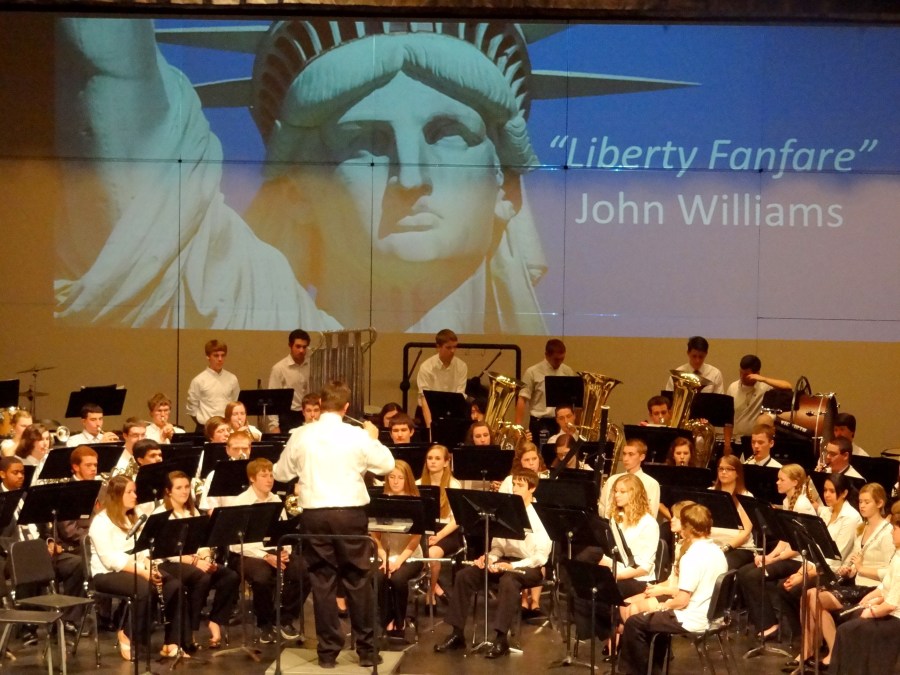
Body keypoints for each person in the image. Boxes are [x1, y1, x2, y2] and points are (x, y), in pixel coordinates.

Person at [55, 20, 548, 334]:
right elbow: (110, 68)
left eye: (448, 134)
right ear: (298, 192)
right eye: (364, 142)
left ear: (505, 187)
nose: (411, 176)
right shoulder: (221, 299)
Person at [273, 380, 394, 668]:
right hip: (349, 514)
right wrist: (373, 438)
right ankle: (367, 650)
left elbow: (280, 472)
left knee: (322, 580)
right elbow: (387, 466)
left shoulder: (301, 435)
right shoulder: (357, 435)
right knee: (358, 578)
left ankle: (327, 652)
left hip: (315, 515)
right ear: (346, 406)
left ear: (320, 405)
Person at [434, 468, 551, 659]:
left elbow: (541, 556)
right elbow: (497, 548)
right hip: (505, 561)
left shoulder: (539, 516)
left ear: (532, 488)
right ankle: (457, 633)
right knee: (465, 575)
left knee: (508, 581)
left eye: (520, 485)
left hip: (529, 566)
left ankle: (501, 638)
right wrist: (490, 558)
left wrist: (513, 566)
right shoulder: (506, 512)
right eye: (514, 484)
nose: (515, 489)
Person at [617, 503, 728, 675]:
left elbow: (682, 601)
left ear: (687, 528)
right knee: (650, 620)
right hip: (712, 616)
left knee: (634, 622)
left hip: (693, 618)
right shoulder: (717, 551)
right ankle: (654, 669)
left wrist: (665, 605)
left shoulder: (692, 557)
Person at [800, 483, 894, 669]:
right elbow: (857, 561)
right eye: (860, 501)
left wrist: (861, 568)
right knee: (810, 594)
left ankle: (834, 651)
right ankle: (817, 648)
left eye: (867, 502)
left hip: (872, 588)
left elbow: (889, 571)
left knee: (815, 597)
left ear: (880, 503)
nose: (862, 506)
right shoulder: (863, 528)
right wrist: (850, 570)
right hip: (857, 583)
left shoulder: (887, 533)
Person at [88, 475, 182, 661]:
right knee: (144, 589)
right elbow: (110, 559)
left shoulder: (133, 518)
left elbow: (142, 548)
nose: (135, 496)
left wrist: (149, 565)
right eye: (129, 492)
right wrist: (142, 572)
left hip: (136, 567)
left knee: (173, 585)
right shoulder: (101, 522)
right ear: (117, 495)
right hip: (107, 574)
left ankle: (171, 642)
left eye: (135, 491)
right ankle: (128, 634)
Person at [155, 470, 239, 650]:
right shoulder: (161, 514)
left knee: (229, 576)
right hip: (168, 563)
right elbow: (168, 552)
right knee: (202, 576)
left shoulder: (192, 511)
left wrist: (207, 558)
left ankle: (216, 620)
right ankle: (190, 631)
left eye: (187, 487)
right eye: (179, 488)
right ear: (168, 491)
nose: (184, 491)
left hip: (195, 560)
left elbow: (202, 542)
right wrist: (196, 562)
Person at [776, 472, 861, 645]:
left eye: (832, 491)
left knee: (797, 589)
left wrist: (805, 575)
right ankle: (803, 637)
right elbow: (813, 546)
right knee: (783, 586)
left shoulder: (851, 518)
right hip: (818, 566)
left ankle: (813, 641)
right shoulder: (825, 513)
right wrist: (801, 571)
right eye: (825, 490)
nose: (826, 495)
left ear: (844, 493)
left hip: (836, 572)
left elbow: (836, 558)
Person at [574, 474, 661, 642]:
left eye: (622, 491)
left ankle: (615, 633)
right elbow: (612, 554)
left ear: (634, 494)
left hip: (638, 579)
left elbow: (645, 567)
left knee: (601, 592)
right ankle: (609, 635)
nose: (616, 495)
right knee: (582, 587)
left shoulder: (648, 524)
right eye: (615, 491)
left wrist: (615, 576)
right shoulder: (616, 519)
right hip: (617, 571)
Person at [228, 458, 307, 644]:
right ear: (252, 478)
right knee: (262, 577)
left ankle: (284, 618)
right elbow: (235, 544)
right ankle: (264, 623)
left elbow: (283, 530)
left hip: (273, 549)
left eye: (271, 475)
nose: (269, 480)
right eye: (264, 476)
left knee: (303, 570)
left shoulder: (276, 500)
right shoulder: (240, 502)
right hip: (246, 553)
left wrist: (285, 550)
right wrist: (265, 556)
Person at [736, 464, 817, 640]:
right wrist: (769, 556)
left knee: (753, 576)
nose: (777, 482)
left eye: (781, 479)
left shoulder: (802, 505)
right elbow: (785, 538)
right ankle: (764, 622)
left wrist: (774, 560)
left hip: (799, 559)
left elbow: (798, 546)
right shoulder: (788, 501)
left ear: (795, 482)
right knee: (743, 573)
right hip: (788, 556)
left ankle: (769, 625)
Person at [830, 501, 900, 675]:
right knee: (853, 619)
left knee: (846, 631)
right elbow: (887, 586)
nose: (892, 532)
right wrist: (872, 598)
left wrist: (871, 612)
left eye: (895, 529)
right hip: (890, 611)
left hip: (896, 618)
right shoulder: (898, 554)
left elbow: (891, 604)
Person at [372, 460, 423, 636]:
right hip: (384, 555)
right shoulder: (380, 501)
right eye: (392, 477)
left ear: (407, 479)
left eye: (400, 478)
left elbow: (415, 540)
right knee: (378, 576)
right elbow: (375, 537)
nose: (395, 481)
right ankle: (387, 619)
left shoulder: (415, 502)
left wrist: (398, 562)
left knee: (398, 579)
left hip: (410, 556)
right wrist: (385, 559)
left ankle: (400, 620)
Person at [418, 444, 463, 604]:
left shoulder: (454, 485)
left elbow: (457, 519)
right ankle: (436, 585)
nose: (433, 461)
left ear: (446, 462)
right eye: (430, 458)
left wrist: (439, 536)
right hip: (423, 530)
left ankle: (430, 592)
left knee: (431, 555)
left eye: (437, 458)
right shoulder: (418, 483)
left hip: (446, 531)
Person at [515, 339, 577, 442]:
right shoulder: (532, 372)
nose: (559, 362)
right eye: (556, 359)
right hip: (540, 422)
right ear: (547, 355)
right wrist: (517, 428)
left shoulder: (567, 371)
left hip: (561, 422)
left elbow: (574, 401)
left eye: (562, 359)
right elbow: (522, 399)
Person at [724, 355, 791, 448]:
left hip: (756, 442)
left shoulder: (765, 387)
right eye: (741, 372)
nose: (742, 377)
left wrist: (764, 379)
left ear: (757, 374)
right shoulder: (733, 387)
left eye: (746, 374)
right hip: (737, 440)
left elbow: (787, 386)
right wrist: (727, 444)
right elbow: (728, 419)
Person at [709, 454, 755, 569]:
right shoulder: (709, 492)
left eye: (729, 469)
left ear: (737, 473)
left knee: (720, 566)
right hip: (711, 545)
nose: (723, 472)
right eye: (721, 468)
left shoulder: (746, 497)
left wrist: (725, 548)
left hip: (739, 548)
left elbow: (745, 533)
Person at [416, 329, 467, 431]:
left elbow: (460, 395)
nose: (453, 351)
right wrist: (430, 427)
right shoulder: (426, 367)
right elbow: (424, 398)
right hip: (428, 411)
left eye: (455, 347)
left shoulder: (461, 366)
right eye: (448, 347)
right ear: (438, 347)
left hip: (452, 411)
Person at [598, 439, 660, 518]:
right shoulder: (612, 480)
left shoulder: (651, 483)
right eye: (624, 454)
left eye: (631, 454)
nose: (625, 458)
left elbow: (651, 514)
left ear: (642, 457)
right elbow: (602, 508)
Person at [186, 339, 240, 430]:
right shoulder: (198, 380)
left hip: (227, 427)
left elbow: (235, 403)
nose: (220, 359)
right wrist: (204, 423)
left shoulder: (232, 379)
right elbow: (192, 408)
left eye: (223, 355)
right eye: (216, 355)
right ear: (208, 356)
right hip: (205, 427)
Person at [267, 329, 312, 433]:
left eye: (304, 347)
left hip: (308, 414)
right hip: (287, 417)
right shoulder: (279, 368)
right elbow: (272, 398)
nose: (301, 350)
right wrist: (274, 425)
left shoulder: (312, 365)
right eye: (298, 346)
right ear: (290, 345)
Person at [199, 430, 252, 512]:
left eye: (245, 449)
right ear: (227, 450)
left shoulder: (258, 472)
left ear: (250, 449)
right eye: (235, 449)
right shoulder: (215, 475)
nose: (240, 453)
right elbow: (211, 509)